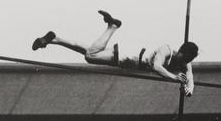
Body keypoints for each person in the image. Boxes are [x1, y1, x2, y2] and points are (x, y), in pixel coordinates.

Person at [32, 10, 199, 96]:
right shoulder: (166, 49)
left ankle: (54, 39)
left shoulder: (185, 62)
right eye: (181, 57)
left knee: (87, 49)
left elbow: (190, 78)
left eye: (184, 61)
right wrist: (174, 78)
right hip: (129, 57)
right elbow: (157, 67)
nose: (181, 62)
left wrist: (189, 89)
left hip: (128, 57)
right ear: (180, 51)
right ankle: (112, 27)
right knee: (90, 56)